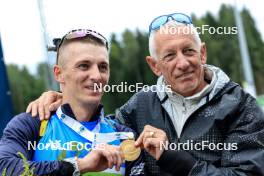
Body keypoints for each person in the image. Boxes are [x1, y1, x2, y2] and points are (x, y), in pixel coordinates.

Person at [26, 13, 264, 176]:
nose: (182, 63)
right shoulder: (140, 105)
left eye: (188, 51)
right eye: (169, 56)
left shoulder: (241, 107)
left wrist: (175, 158)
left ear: (202, 53)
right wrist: (61, 97)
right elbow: (97, 128)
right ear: (154, 66)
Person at [0, 29, 145, 176]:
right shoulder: (31, 124)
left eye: (103, 67)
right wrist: (80, 165)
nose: (96, 75)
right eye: (84, 65)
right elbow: (4, 168)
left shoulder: (124, 136)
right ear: (59, 74)